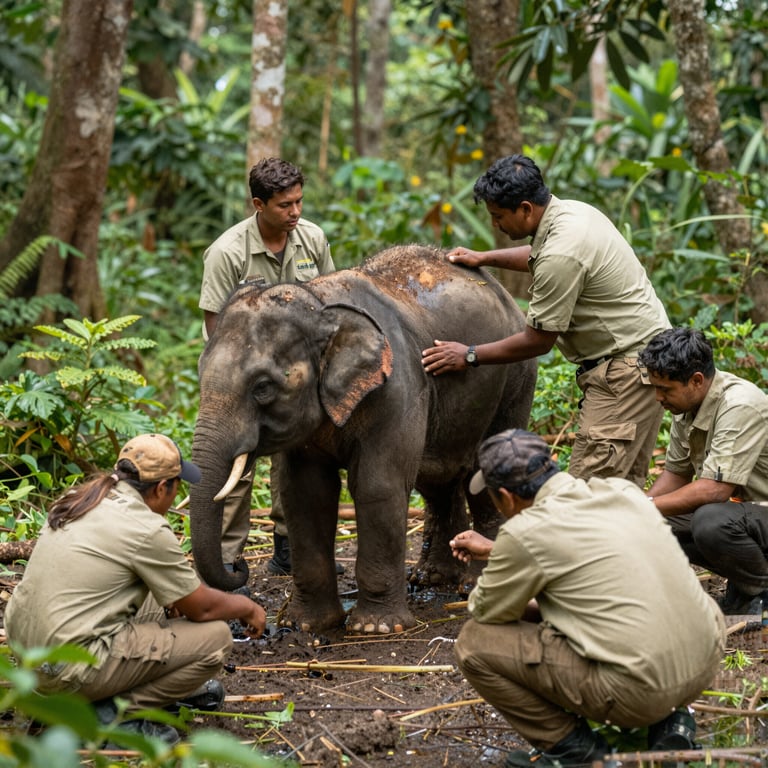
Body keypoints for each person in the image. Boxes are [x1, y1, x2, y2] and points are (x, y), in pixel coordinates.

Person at [450, 429, 724, 767]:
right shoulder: (621, 491)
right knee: (643, 608)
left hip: (641, 689)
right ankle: (674, 721)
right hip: (706, 656)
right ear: (552, 464)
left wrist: (511, 565)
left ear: (505, 498)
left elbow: (488, 611)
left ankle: (575, 750)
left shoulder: (524, 532)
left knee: (474, 643)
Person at [421, 154, 670, 488]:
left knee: (588, 494)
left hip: (625, 374)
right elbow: (541, 255)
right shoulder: (572, 214)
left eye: (498, 216)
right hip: (642, 358)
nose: (495, 225)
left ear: (525, 208)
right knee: (619, 491)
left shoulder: (561, 251)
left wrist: (468, 354)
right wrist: (485, 258)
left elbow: (538, 340)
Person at [4, 433, 266, 745]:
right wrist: (248, 608)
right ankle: (112, 714)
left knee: (162, 597)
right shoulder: (145, 528)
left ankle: (76, 699)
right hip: (68, 670)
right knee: (216, 639)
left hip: (29, 659)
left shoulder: (80, 498)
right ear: (161, 488)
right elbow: (203, 608)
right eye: (176, 487)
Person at [199, 157, 336, 576]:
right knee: (234, 464)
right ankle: (226, 561)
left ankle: (290, 547)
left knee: (298, 455)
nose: (295, 212)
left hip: (294, 374)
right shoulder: (227, 252)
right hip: (239, 377)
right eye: (284, 205)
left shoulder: (312, 238)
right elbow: (216, 330)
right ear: (258, 205)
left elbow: (331, 302)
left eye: (299, 202)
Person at [639, 327, 768, 614]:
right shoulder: (687, 406)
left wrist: (642, 505)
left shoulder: (739, 404)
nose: (658, 397)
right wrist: (638, 508)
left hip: (758, 512)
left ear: (696, 380)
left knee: (711, 521)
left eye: (665, 389)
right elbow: (676, 475)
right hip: (750, 513)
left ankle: (762, 590)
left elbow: (714, 490)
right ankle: (745, 585)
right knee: (654, 522)